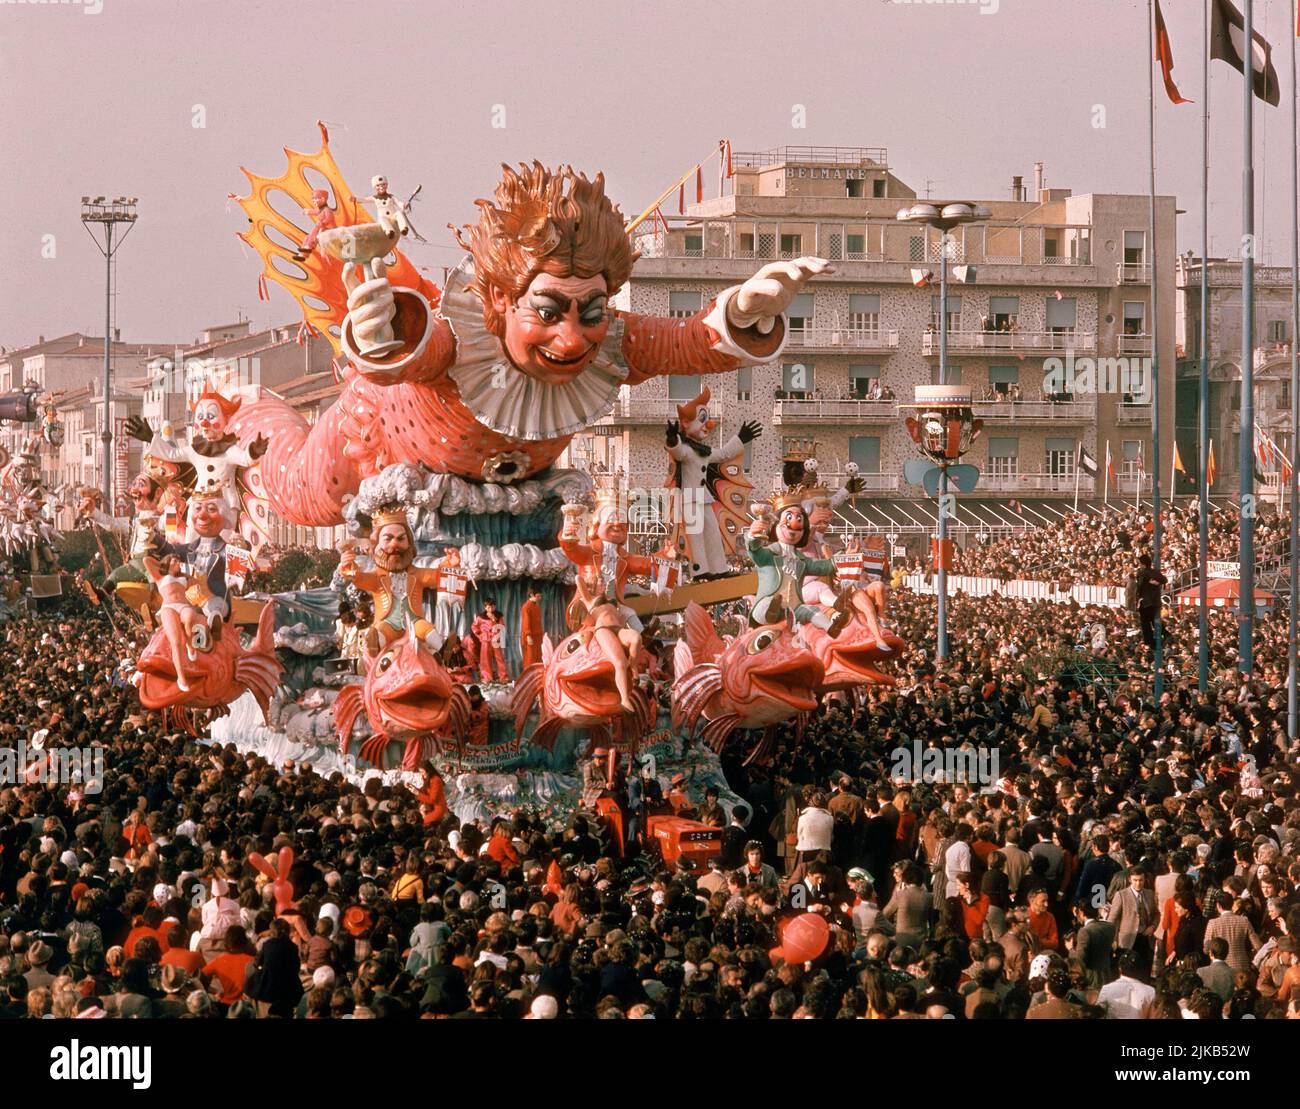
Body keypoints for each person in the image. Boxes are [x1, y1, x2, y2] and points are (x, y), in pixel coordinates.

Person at [519, 584, 544, 670]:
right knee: (530, 658)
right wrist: (528, 636)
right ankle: (529, 676)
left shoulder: (536, 606)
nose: (539, 598)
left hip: (537, 636)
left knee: (538, 656)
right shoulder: (526, 607)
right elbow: (526, 623)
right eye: (537, 596)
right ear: (531, 595)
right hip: (530, 636)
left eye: (540, 596)